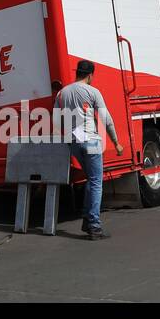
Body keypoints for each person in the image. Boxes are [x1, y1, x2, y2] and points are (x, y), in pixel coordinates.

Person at [54, 59, 123, 240]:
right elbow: (106, 119)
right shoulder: (93, 92)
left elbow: (56, 120)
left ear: (77, 72)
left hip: (74, 143)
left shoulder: (62, 93)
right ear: (90, 75)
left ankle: (87, 219)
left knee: (91, 180)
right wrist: (116, 142)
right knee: (96, 183)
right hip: (91, 142)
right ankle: (94, 226)